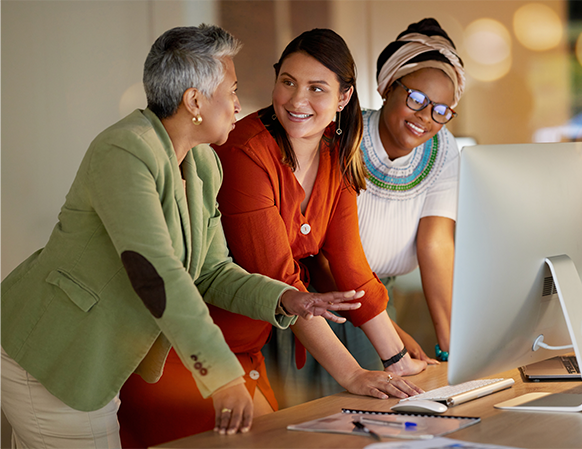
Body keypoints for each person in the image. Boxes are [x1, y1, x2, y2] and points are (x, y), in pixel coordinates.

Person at [0, 24, 363, 449]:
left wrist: (288, 299)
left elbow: (212, 271)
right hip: (52, 352)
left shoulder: (204, 163)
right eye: (231, 90)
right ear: (194, 101)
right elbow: (157, 272)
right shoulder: (124, 151)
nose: (236, 104)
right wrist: (222, 376)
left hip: (98, 362)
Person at [283, 18, 467, 404]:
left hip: (381, 300)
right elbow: (319, 251)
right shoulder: (342, 134)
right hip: (324, 299)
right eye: (416, 99)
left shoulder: (444, 149)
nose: (425, 117)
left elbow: (435, 245)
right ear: (386, 88)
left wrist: (453, 349)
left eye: (441, 110)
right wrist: (391, 332)